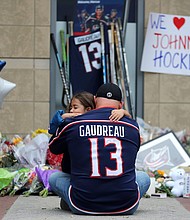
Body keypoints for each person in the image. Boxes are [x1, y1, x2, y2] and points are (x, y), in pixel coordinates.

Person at [48, 83, 150, 215]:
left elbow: (53, 148)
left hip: (81, 204)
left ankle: (70, 198)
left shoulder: (74, 123)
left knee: (54, 178)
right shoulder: (132, 127)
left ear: (95, 100)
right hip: (126, 205)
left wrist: (63, 120)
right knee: (144, 177)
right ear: (121, 104)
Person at [47, 91, 131, 171]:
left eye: (75, 107)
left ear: (88, 109)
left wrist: (63, 119)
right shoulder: (105, 123)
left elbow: (54, 146)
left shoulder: (72, 126)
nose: (71, 111)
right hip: (111, 177)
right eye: (70, 108)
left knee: (54, 178)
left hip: (78, 177)